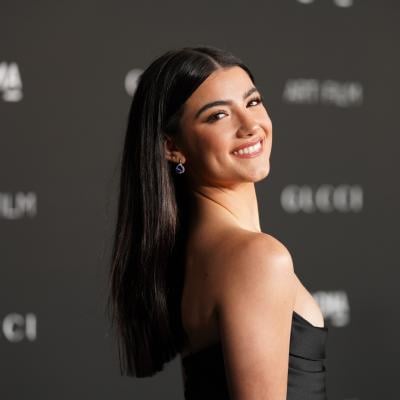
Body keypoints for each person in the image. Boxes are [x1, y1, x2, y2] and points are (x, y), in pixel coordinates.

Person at [107, 45, 328, 400]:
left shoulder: (195, 255)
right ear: (171, 147)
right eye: (217, 116)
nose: (250, 125)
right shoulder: (256, 258)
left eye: (253, 102)